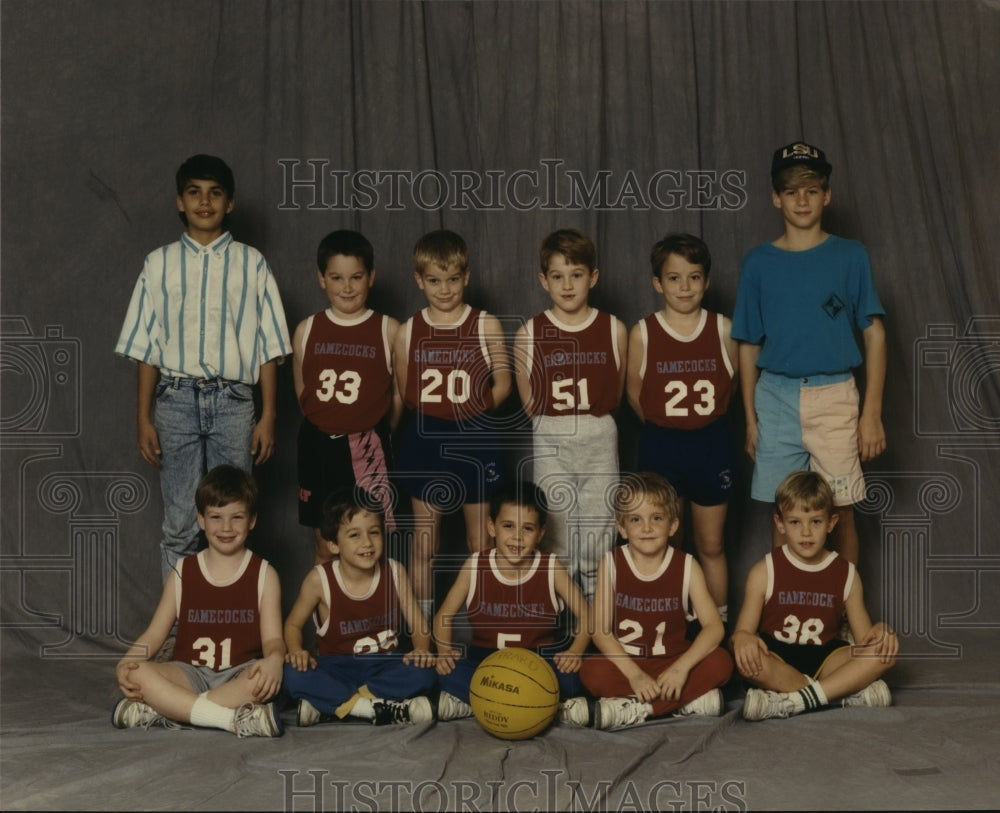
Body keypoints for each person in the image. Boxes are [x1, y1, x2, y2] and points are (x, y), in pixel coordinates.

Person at [115, 154, 291, 581]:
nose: (204, 202)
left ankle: (232, 624)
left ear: (229, 203)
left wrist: (267, 415)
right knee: (179, 521)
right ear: (180, 201)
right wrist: (143, 417)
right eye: (194, 192)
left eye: (215, 193)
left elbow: (268, 346)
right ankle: (179, 630)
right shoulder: (159, 264)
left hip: (234, 401)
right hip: (175, 400)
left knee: (233, 516)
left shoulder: (252, 263)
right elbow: (146, 348)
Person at [731, 141, 887, 565]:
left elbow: (874, 333)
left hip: (834, 394)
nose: (802, 200)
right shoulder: (758, 262)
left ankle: (845, 611)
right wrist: (750, 418)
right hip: (775, 397)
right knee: (783, 513)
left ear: (827, 195)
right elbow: (747, 344)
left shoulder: (850, 256)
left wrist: (871, 412)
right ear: (775, 197)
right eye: (792, 191)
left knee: (841, 511)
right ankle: (785, 613)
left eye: (812, 190)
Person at [112, 465, 284, 737]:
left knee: (265, 676)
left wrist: (275, 660)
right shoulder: (183, 571)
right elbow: (155, 634)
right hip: (187, 673)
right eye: (216, 517)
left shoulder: (264, 574)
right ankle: (228, 718)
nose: (226, 527)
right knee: (137, 673)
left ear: (252, 520)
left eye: (236, 517)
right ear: (200, 519)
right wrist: (125, 662)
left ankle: (166, 708)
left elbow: (273, 640)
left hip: (237, 675)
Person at [393, 229, 512, 618]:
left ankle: (486, 627)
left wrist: (473, 414)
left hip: (475, 437)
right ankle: (422, 633)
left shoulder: (485, 324)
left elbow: (504, 384)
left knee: (481, 542)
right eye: (433, 280)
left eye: (453, 279)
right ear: (419, 279)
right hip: (426, 438)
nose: (444, 289)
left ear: (467, 276)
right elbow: (404, 390)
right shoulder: (408, 330)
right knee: (426, 545)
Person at [626, 233, 737, 623]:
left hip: (712, 444)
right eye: (674, 278)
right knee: (663, 545)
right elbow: (636, 396)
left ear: (707, 281)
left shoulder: (725, 329)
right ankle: (670, 627)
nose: (684, 287)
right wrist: (668, 428)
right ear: (658, 283)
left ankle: (717, 626)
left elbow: (734, 387)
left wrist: (699, 425)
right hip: (662, 446)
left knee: (710, 543)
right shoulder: (643, 333)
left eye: (693, 277)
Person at [513, 228, 627, 601]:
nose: (567, 285)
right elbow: (529, 401)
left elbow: (619, 390)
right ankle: (560, 617)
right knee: (557, 535)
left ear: (592, 277)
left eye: (576, 275)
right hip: (552, 436)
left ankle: (597, 620)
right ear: (543, 280)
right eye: (557, 276)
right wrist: (554, 428)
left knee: (597, 532)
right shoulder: (530, 332)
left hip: (598, 434)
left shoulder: (614, 328)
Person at [730, 470, 898, 720]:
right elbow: (741, 633)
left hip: (825, 655)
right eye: (795, 522)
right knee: (747, 661)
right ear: (780, 523)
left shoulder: (846, 573)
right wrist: (742, 640)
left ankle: (793, 700)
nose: (806, 532)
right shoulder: (764, 570)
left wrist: (881, 631)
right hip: (777, 655)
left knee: (883, 654)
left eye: (816, 522)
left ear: (831, 523)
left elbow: (864, 640)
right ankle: (840, 692)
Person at [581, 472, 733, 729]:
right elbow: (600, 632)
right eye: (635, 520)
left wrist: (680, 670)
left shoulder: (687, 565)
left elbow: (714, 627)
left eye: (657, 518)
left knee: (722, 663)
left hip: (673, 662)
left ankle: (633, 709)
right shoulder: (612, 563)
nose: (647, 528)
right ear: (622, 528)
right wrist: (635, 676)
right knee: (591, 671)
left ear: (673, 525)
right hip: (628, 662)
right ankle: (685, 704)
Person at [433, 480, 591, 726]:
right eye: (508, 526)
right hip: (486, 660)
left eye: (527, 528)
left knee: (579, 676)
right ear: (491, 527)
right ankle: (543, 707)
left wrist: (575, 651)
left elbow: (587, 614)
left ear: (540, 533)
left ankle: (476, 703)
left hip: (538, 661)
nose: (517, 537)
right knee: (445, 671)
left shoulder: (550, 567)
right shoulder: (475, 565)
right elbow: (443, 616)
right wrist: (443, 652)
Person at [281, 488, 436, 726]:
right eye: (354, 535)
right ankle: (378, 708)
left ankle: (331, 706)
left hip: (386, 664)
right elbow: (292, 625)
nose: (367, 543)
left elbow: (418, 624)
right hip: (337, 667)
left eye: (374, 532)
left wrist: (421, 649)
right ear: (333, 544)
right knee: (291, 675)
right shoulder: (319, 580)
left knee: (426, 670)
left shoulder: (394, 571)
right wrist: (296, 650)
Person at [293, 229, 402, 565]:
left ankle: (375, 616)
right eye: (337, 278)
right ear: (322, 279)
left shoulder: (389, 329)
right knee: (326, 544)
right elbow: (302, 390)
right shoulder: (307, 329)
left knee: (371, 540)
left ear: (371, 277)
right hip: (317, 445)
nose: (347, 287)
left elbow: (399, 396)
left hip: (365, 443)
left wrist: (375, 431)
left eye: (356, 277)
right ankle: (328, 619)